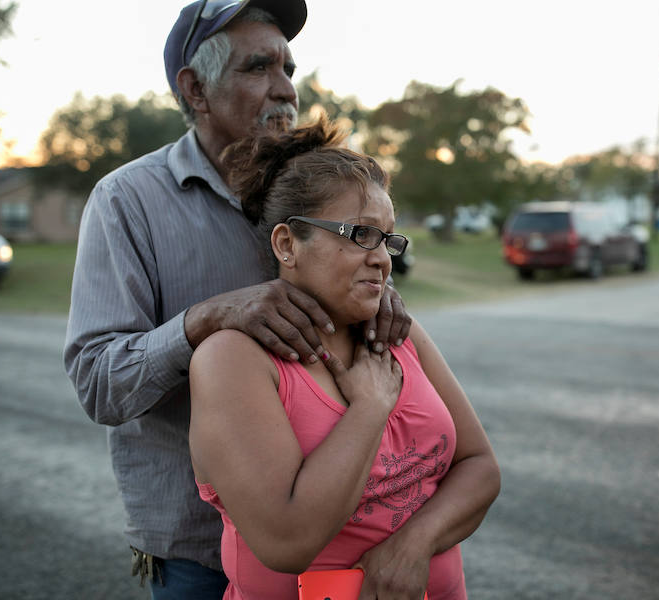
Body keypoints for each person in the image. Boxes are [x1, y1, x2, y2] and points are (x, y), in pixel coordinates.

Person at [63, 2, 411, 598]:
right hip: (200, 557)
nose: (285, 91)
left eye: (289, 69)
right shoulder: (126, 201)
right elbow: (99, 384)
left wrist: (380, 297)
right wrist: (205, 319)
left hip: (350, 538)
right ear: (195, 89)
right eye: (258, 69)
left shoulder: (315, 190)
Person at [188, 116, 501, 600]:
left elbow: (480, 467)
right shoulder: (233, 359)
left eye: (389, 239)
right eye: (360, 235)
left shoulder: (401, 334)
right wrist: (370, 408)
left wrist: (413, 545)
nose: (382, 258)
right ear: (288, 244)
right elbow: (286, 541)